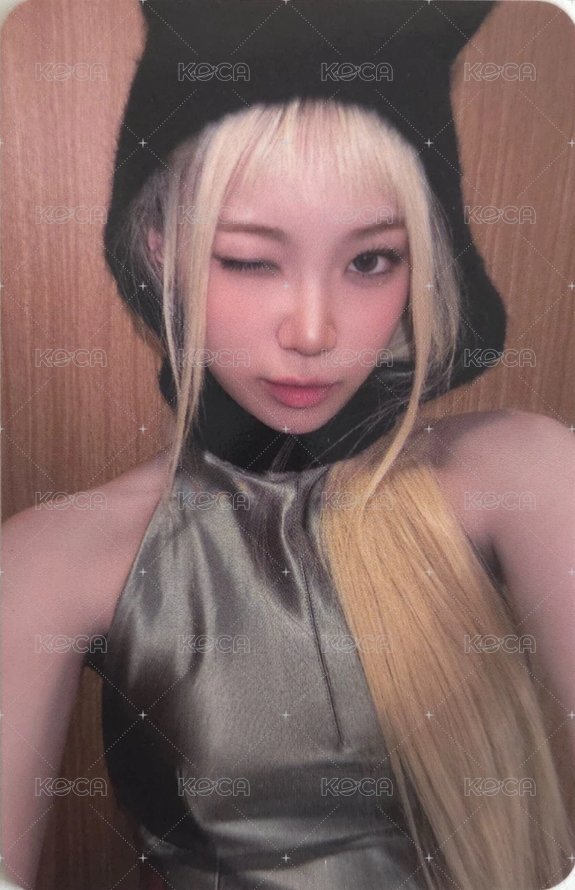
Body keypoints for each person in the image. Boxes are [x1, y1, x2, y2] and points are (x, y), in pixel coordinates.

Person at [2, 2, 574, 889]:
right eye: (248, 259)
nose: (313, 331)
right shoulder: (54, 558)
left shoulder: (522, 476)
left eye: (371, 261)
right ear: (159, 250)